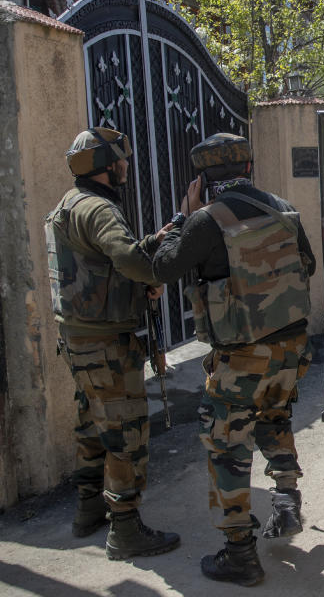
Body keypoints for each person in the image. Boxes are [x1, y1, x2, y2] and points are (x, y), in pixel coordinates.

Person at [153, 133, 315, 586]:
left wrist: (180, 217)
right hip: (292, 346)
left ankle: (239, 553)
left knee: (227, 444)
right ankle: (285, 501)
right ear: (248, 168)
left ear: (203, 178)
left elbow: (163, 268)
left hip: (241, 354)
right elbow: (309, 265)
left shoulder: (205, 220)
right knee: (276, 415)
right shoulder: (281, 207)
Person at [45, 127, 180, 559]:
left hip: (76, 337)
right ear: (105, 167)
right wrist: (152, 275)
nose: (125, 166)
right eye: (120, 160)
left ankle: (88, 511)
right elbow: (125, 259)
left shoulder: (65, 206)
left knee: (90, 424)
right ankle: (124, 529)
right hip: (106, 343)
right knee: (125, 432)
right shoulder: (101, 209)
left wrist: (146, 260)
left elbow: (96, 267)